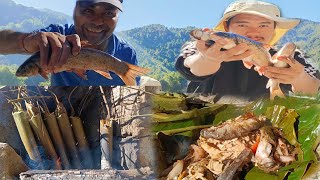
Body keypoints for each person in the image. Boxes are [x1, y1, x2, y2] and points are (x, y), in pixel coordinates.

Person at [175, 0, 320, 102]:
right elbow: (191, 67)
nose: (253, 32)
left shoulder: (289, 56)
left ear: (274, 29)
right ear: (227, 28)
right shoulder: (205, 46)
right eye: (242, 24)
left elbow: (314, 88)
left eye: (263, 25)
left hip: (264, 132)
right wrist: (209, 59)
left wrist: (299, 77)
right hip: (205, 130)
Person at [0, 0, 139, 86]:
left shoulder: (127, 53)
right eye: (88, 10)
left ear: (118, 16)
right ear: (75, 10)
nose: (97, 21)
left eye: (108, 13)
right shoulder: (55, 35)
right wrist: (25, 41)